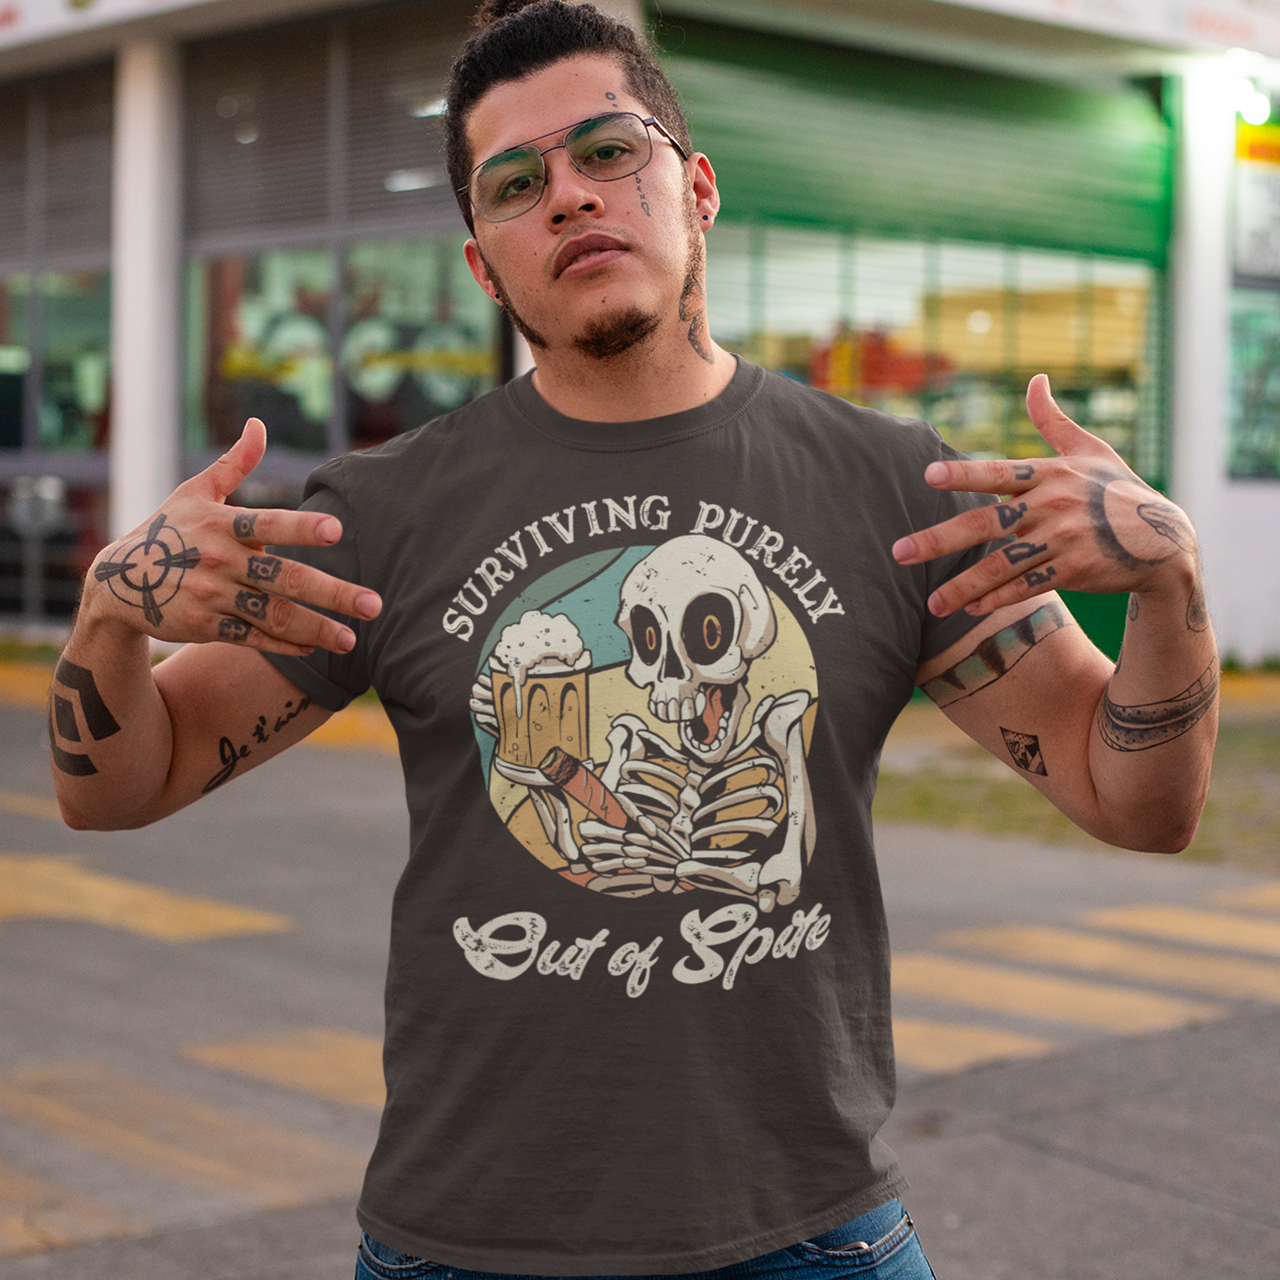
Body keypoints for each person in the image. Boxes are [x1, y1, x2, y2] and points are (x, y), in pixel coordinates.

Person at [49, 2, 1218, 1276]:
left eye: (609, 150)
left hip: (807, 1236)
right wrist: (112, 610)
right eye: (516, 181)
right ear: (481, 264)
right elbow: (120, 784)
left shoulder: (898, 494)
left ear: (695, 185)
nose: (568, 196)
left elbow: (1138, 801)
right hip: (465, 1242)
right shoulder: (382, 518)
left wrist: (1170, 588)